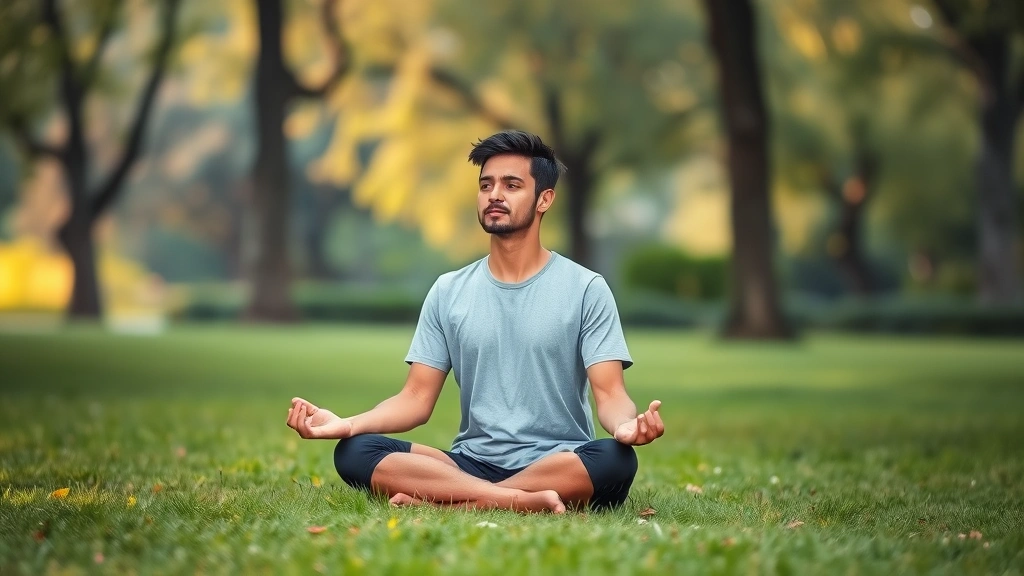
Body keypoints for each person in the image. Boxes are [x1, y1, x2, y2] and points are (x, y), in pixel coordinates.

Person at [286, 130, 664, 513]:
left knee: (616, 460)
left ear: (544, 199)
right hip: (469, 461)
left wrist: (624, 427)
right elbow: (415, 398)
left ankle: (454, 502)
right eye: (486, 185)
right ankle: (512, 500)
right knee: (356, 450)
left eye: (512, 185)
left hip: (557, 461)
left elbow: (610, 394)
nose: (494, 194)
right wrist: (347, 424)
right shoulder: (448, 290)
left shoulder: (586, 288)